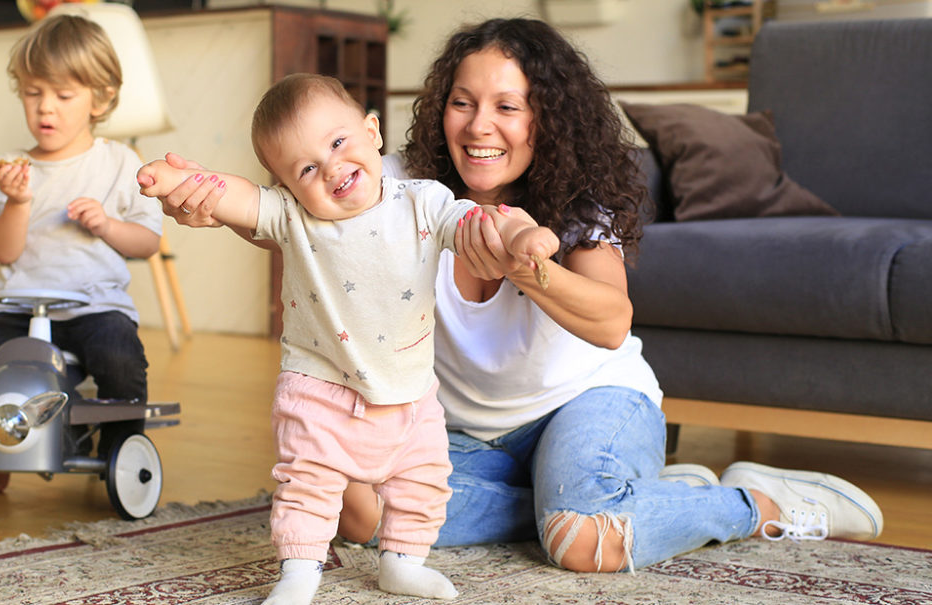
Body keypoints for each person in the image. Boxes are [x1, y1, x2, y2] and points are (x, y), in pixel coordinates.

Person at [151, 18, 883, 575]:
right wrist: (207, 200)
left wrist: (527, 267)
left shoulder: (578, 203)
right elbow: (303, 223)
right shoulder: (398, 183)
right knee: (359, 510)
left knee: (580, 542)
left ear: (546, 117)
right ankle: (602, 492)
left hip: (592, 403)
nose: (480, 126)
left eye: (509, 106)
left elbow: (610, 322)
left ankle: (753, 501)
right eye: (463, 103)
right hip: (467, 433)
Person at [137, 73, 558, 604]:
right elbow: (237, 197)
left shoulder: (424, 202)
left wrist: (525, 236)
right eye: (307, 168)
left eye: (338, 143)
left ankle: (403, 563)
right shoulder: (292, 216)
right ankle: (299, 572)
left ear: (373, 131)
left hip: (409, 390)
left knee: (423, 482)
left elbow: (483, 222)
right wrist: (184, 183)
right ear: (287, 187)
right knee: (307, 484)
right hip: (319, 389)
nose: (332, 167)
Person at [0, 14, 161, 494]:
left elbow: (148, 242)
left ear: (99, 98)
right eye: (33, 92)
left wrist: (106, 224)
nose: (46, 108)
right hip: (18, 309)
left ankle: (117, 452)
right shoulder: (10, 172)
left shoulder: (119, 162)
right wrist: (18, 203)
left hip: (94, 307)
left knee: (120, 362)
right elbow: (3, 251)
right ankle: (0, 441)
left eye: (64, 96)